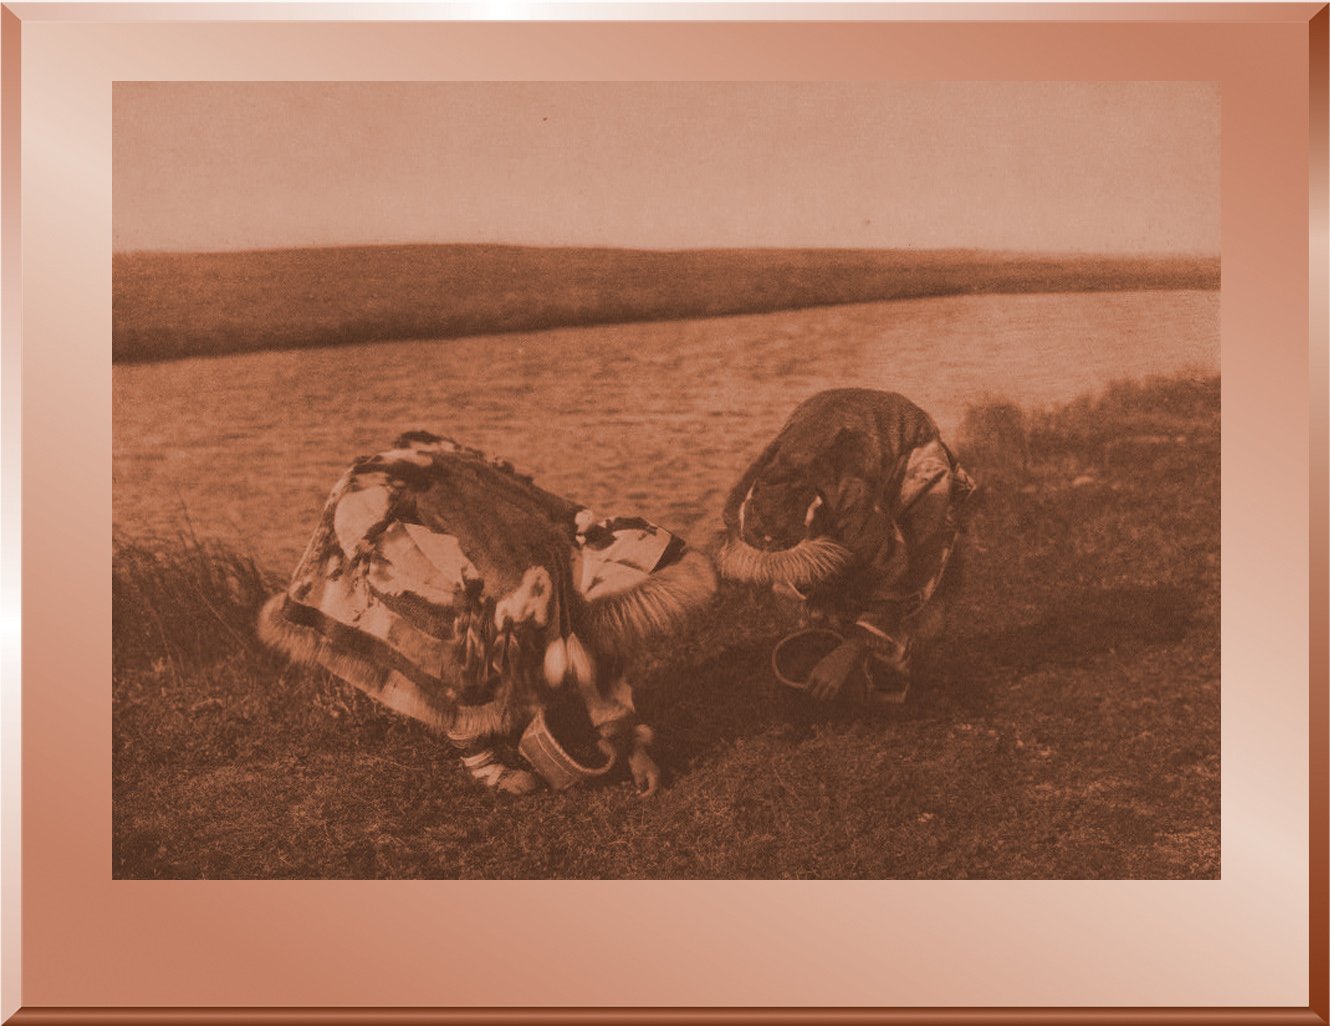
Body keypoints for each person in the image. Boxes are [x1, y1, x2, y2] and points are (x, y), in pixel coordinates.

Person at [258, 431, 716, 796]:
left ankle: (519, 705)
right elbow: (568, 645)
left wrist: (631, 745)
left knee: (537, 630)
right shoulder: (514, 580)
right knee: (447, 634)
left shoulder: (576, 552)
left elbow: (596, 652)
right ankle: (480, 758)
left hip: (457, 486)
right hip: (379, 505)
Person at [717, 389, 974, 705]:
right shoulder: (740, 508)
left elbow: (892, 579)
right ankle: (839, 631)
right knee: (813, 589)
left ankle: (891, 673)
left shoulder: (851, 503)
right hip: (829, 421)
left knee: (914, 565)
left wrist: (852, 649)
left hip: (903, 437)